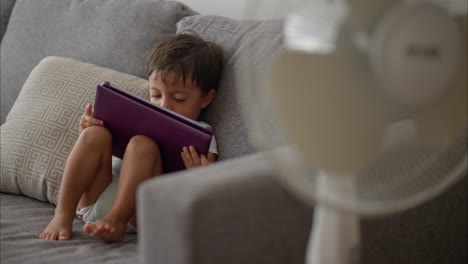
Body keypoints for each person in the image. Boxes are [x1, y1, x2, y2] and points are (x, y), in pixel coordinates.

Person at [39, 33, 224, 243]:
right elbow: (93, 152)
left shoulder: (202, 133)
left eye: (179, 98)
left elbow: (208, 187)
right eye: (156, 95)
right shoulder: (139, 114)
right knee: (94, 133)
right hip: (95, 197)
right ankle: (62, 215)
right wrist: (87, 128)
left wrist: (200, 176)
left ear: (206, 98)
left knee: (142, 144)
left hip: (140, 211)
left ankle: (116, 219)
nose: (164, 105)